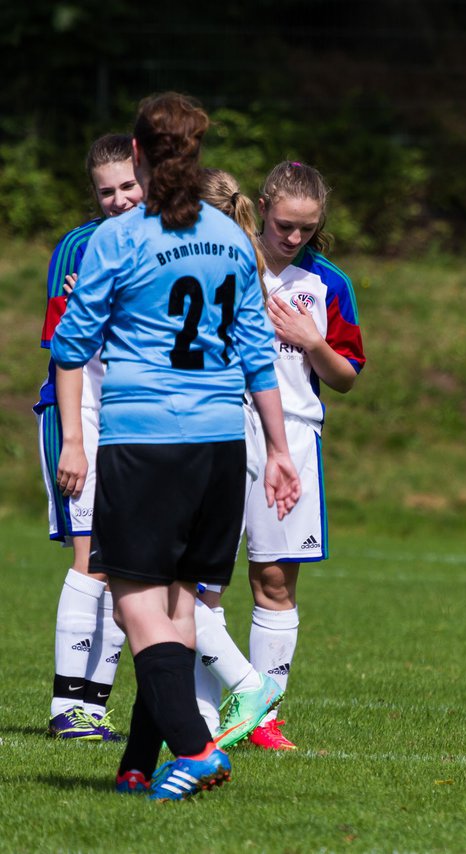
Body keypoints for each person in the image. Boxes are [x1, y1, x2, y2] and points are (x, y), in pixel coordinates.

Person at [51, 92, 300, 800]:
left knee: (135, 607)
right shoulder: (227, 235)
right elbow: (256, 350)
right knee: (180, 609)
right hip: (223, 444)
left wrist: (73, 439)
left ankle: (195, 751)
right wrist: (278, 448)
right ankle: (135, 762)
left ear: (136, 154)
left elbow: (72, 347)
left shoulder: (119, 237)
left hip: (147, 442)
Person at [233, 159, 366, 751]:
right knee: (200, 580)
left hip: (292, 437)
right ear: (263, 208)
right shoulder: (228, 262)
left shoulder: (328, 284)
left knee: (275, 582)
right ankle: (207, 706)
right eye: (285, 225)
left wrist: (313, 342)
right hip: (217, 428)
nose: (293, 238)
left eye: (306, 230)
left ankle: (264, 717)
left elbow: (345, 378)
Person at [37, 133, 143, 742]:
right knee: (92, 556)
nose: (119, 199)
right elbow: (63, 351)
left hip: (132, 419)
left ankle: (91, 708)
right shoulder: (77, 247)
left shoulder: (159, 241)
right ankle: (68, 706)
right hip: (80, 415)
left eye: (128, 185)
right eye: (106, 190)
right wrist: (73, 441)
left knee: (121, 559)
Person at [186, 168, 286, 747]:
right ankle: (200, 723)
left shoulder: (196, 264)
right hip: (231, 434)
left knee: (162, 586)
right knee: (201, 591)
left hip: (196, 436)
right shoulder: (245, 262)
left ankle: (249, 685)